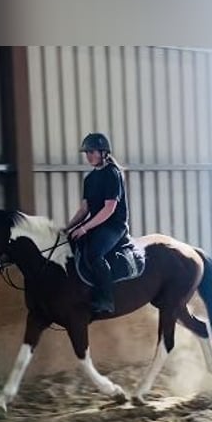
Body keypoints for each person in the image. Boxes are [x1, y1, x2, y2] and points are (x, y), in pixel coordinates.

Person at [64, 132, 130, 314]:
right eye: (87, 153)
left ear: (103, 152)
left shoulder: (112, 174)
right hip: (97, 224)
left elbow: (109, 209)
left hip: (114, 226)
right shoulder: (90, 179)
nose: (89, 156)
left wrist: (85, 228)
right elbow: (84, 210)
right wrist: (68, 228)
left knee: (94, 253)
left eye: (92, 152)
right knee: (71, 243)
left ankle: (106, 300)